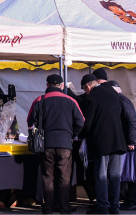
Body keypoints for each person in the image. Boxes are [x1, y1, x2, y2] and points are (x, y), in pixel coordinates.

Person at [27, 74, 84, 215]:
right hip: (65, 143)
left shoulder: (40, 100)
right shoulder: (71, 100)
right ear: (62, 86)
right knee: (64, 178)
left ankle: (48, 209)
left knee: (48, 177)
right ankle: (64, 208)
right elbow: (81, 121)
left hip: (46, 143)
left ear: (47, 85)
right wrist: (71, 134)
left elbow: (30, 121)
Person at [79, 73, 133, 214]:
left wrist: (80, 135)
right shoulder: (113, 93)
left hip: (102, 142)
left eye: (85, 89)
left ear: (88, 87)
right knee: (115, 176)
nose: (85, 92)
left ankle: (102, 206)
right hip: (118, 140)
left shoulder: (92, 98)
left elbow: (88, 123)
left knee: (101, 176)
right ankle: (114, 207)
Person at [93, 71, 136, 212]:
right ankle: (122, 202)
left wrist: (131, 140)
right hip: (122, 141)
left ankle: (133, 200)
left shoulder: (121, 100)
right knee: (120, 174)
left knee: (128, 173)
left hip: (125, 142)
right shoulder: (119, 99)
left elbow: (131, 120)